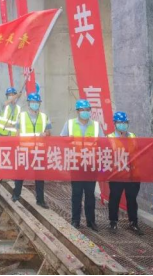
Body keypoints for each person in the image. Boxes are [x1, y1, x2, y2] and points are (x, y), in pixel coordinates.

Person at [60, 99, 105, 231]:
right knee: (77, 193)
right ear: (78, 111)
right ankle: (75, 220)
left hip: (91, 164)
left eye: (87, 110)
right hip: (76, 164)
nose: (85, 112)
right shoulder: (69, 124)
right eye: (82, 110)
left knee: (90, 194)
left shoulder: (96, 125)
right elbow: (61, 141)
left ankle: (91, 221)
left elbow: (103, 143)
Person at [12, 93, 51, 208]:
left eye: (37, 102)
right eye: (33, 102)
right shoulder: (22, 116)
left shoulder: (44, 117)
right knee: (20, 174)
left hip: (39, 151)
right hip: (25, 150)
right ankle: (16, 195)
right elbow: (17, 133)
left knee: (39, 176)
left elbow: (49, 132)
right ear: (29, 103)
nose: (35, 104)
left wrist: (45, 134)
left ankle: (40, 200)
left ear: (39, 104)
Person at [108, 112, 144, 235]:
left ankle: (133, 223)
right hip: (117, 174)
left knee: (132, 199)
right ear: (115, 123)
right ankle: (113, 222)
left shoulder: (133, 136)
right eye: (120, 122)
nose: (123, 125)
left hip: (132, 174)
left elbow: (138, 152)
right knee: (114, 199)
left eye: (125, 122)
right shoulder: (109, 138)